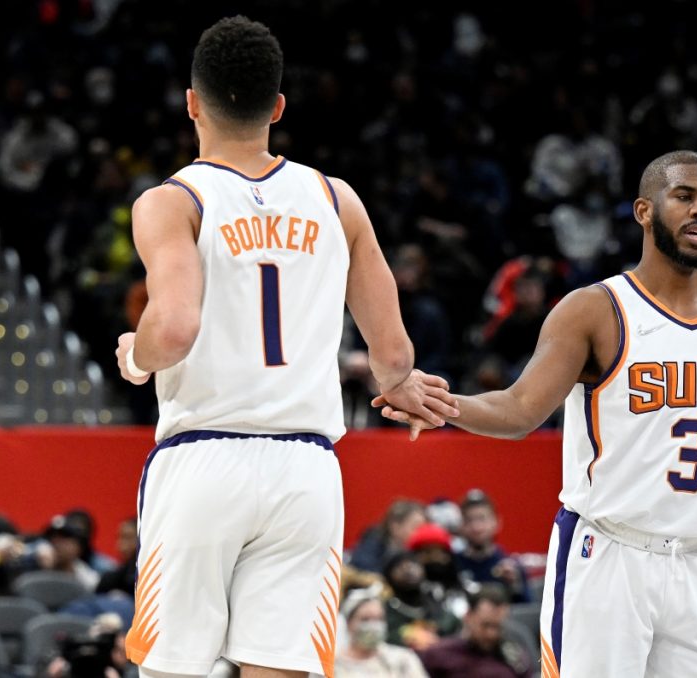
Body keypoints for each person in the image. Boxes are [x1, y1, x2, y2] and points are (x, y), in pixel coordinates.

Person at [112, 16, 456, 678]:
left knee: (172, 669)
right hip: (306, 470)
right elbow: (392, 354)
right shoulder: (338, 199)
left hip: (204, 458)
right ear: (277, 106)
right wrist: (400, 385)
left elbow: (174, 328)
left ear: (191, 102)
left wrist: (136, 353)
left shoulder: (171, 201)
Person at [380, 150, 697, 676]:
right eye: (685, 197)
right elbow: (519, 409)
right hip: (608, 554)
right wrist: (445, 405)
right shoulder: (596, 308)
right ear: (643, 211)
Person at [418, 584, 534, 678]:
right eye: (485, 625)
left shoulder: (514, 657)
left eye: (497, 627)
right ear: (468, 616)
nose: (491, 634)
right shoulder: (438, 655)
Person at [317, 586, 429, 678]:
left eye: (379, 619)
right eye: (365, 619)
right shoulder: (330, 666)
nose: (374, 626)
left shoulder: (402, 660)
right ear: (348, 623)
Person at [454, 490, 531, 603]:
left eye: (482, 519)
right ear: (461, 526)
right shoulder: (453, 566)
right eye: (469, 520)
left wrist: (515, 586)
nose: (476, 527)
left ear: (497, 522)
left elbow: (528, 612)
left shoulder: (511, 568)